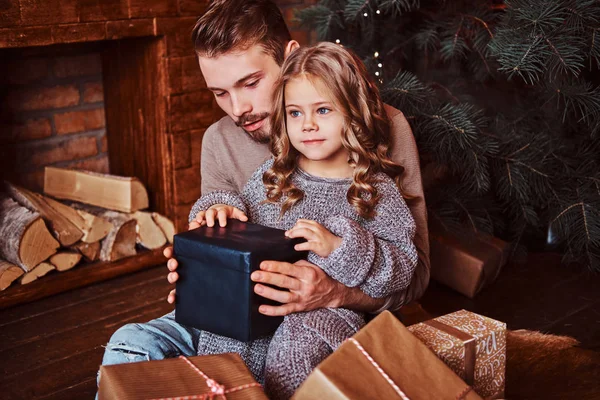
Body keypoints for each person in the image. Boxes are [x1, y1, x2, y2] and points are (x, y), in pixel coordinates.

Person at [100, 0, 429, 381]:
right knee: (131, 344)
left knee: (294, 353)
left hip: (334, 318)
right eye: (220, 93)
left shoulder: (380, 125)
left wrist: (332, 292)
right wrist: (199, 271)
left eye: (250, 83)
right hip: (238, 312)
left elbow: (413, 275)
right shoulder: (221, 142)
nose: (238, 109)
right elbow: (225, 217)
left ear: (290, 59)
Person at [188, 41, 418, 399]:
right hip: (263, 303)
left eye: (323, 110)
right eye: (295, 113)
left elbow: (404, 266)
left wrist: (342, 246)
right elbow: (241, 213)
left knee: (296, 349)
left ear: (353, 113)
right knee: (226, 339)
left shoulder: (374, 189)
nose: (308, 125)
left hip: (329, 315)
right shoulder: (274, 174)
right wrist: (219, 205)